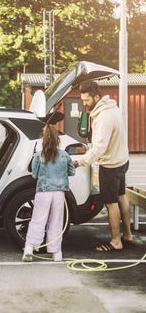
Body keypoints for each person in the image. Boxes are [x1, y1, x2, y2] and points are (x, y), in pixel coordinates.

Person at [73, 81, 132, 252]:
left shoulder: (104, 117)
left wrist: (80, 161)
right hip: (122, 160)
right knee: (122, 196)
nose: (84, 104)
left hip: (111, 166)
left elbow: (99, 148)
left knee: (111, 203)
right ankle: (127, 234)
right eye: (83, 100)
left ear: (96, 97)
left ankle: (116, 241)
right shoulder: (113, 108)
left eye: (86, 100)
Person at [23, 124, 75, 262]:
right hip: (59, 193)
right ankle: (56, 252)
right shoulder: (64, 155)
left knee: (38, 220)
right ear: (57, 138)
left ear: (43, 139)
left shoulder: (39, 155)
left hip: (43, 191)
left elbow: (34, 175)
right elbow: (72, 172)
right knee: (56, 221)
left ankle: (29, 248)